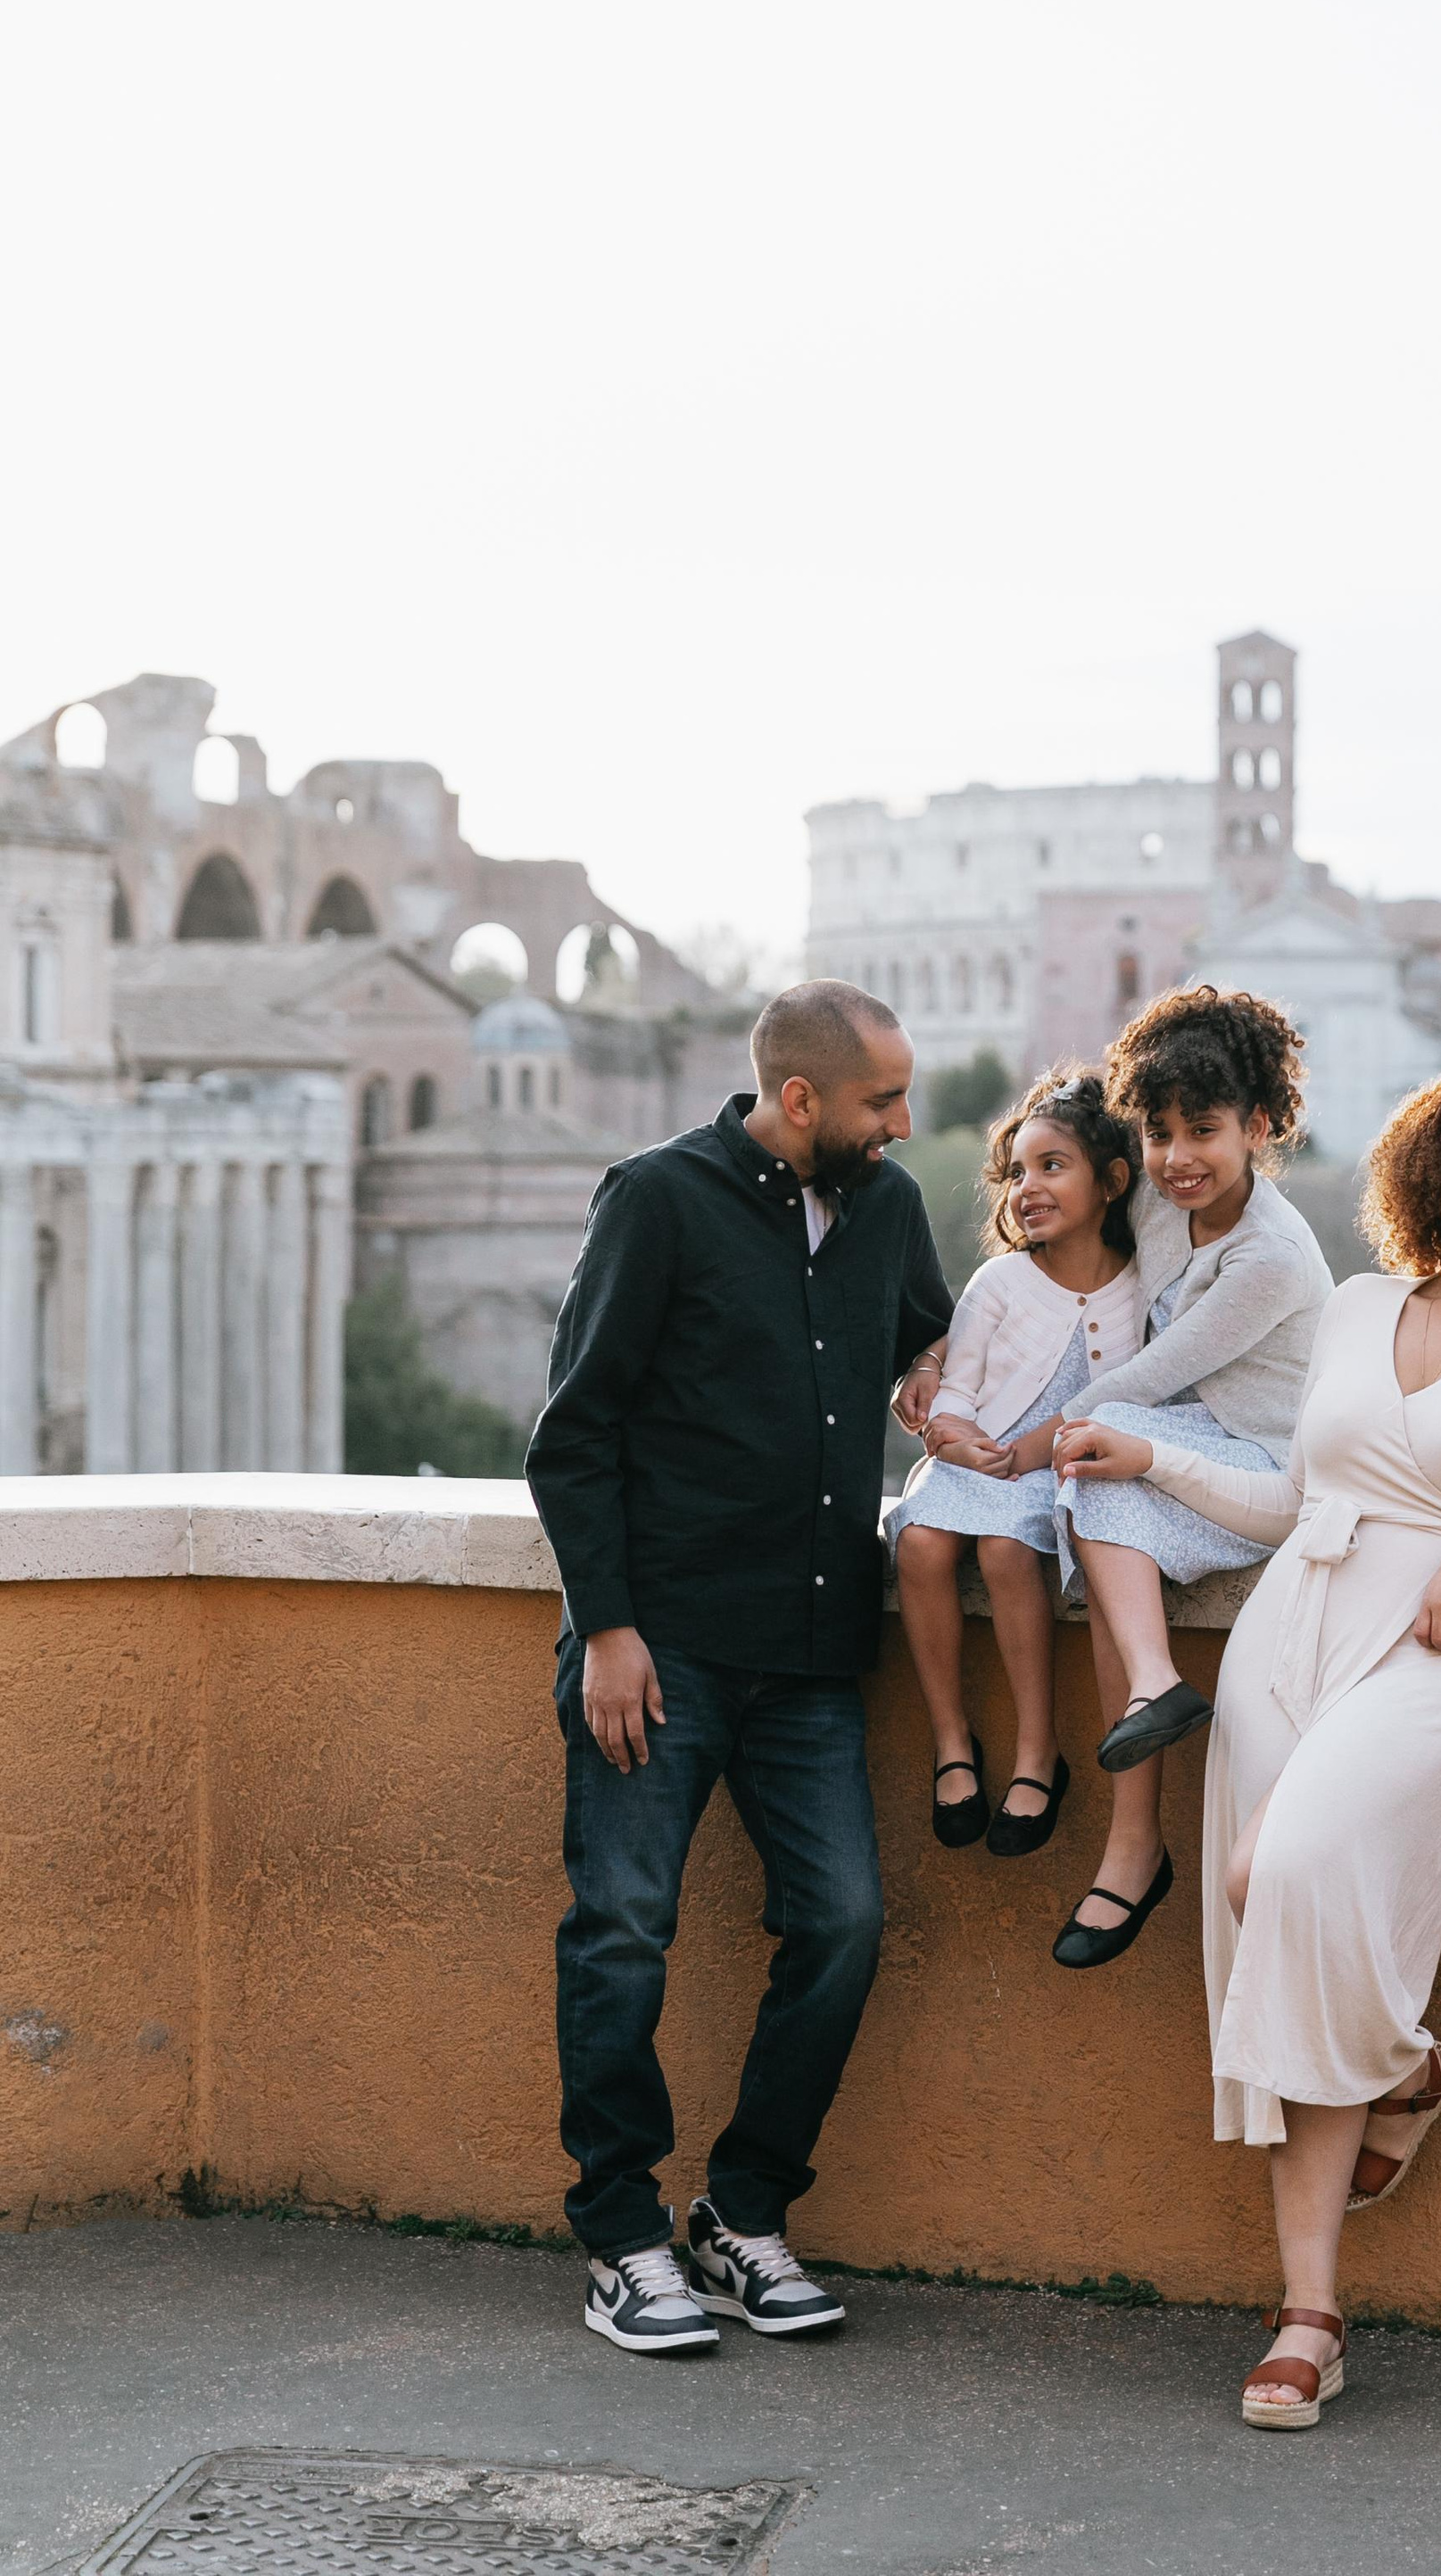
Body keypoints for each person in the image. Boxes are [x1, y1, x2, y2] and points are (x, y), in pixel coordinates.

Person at [1053, 1062, 1441, 2426]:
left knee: (1286, 1875)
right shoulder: (1363, 1306)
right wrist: (1159, 1469)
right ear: (1431, 1170)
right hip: (1293, 1622)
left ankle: (1409, 2068)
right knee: (1287, 1927)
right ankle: (1310, 2313)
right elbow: (1291, 1501)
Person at [526, 980, 953, 2357]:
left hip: (818, 1657)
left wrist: (931, 1377)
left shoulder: (885, 1207)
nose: (906, 1123)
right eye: (884, 1100)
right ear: (803, 1098)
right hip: (662, 1651)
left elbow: (924, 1338)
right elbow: (573, 1432)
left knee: (840, 1927)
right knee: (622, 1935)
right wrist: (607, 1630)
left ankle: (741, 2211)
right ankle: (623, 2240)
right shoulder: (656, 1198)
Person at [1041, 987, 1331, 1969]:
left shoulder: (1273, 1257)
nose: (1177, 1158)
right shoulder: (1165, 1202)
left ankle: (1133, 1842)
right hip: (1189, 1431)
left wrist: (1039, 1435)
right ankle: (1151, 1708)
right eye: (1158, 1132)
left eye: (1203, 1130)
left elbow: (1148, 1377)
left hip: (1263, 1466)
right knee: (1094, 1485)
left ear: (1258, 1125)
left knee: (1093, 1450)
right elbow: (1050, 1164)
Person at [884, 1069, 1141, 1855]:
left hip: (1055, 1474)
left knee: (1004, 1552)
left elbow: (1136, 1399)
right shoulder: (999, 1281)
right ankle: (952, 1740)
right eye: (1019, 1172)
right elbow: (955, 1388)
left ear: (1112, 1182)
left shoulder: (1145, 1291)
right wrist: (952, 1438)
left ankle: (1039, 1752)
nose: (1029, 1187)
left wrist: (1037, 1453)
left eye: (1053, 1166)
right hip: (974, 1460)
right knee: (922, 1545)